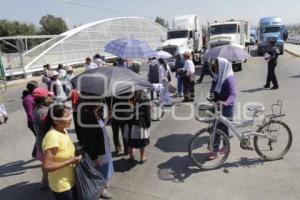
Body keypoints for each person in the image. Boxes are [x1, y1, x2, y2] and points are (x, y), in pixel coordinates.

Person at [42, 104, 82, 200]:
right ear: (55, 120)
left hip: (71, 180)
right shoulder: (52, 137)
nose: (70, 118)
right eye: (66, 116)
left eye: (70, 114)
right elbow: (47, 167)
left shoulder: (62, 130)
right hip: (62, 186)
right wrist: (71, 160)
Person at [79, 99, 113, 199]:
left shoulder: (96, 113)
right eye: (99, 100)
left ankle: (103, 185)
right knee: (99, 172)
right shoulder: (87, 117)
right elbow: (87, 141)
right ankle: (101, 190)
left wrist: (108, 118)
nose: (102, 102)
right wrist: (94, 157)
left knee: (104, 169)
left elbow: (102, 126)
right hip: (97, 152)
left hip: (104, 148)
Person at [208, 57, 237, 160]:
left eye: (217, 66)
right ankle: (225, 147)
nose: (215, 68)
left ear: (223, 66)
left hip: (226, 106)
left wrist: (225, 102)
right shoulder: (218, 76)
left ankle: (216, 150)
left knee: (220, 128)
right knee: (221, 127)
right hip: (217, 105)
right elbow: (213, 89)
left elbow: (233, 94)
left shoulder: (229, 78)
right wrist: (211, 98)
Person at [32, 87, 54, 188]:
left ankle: (45, 181)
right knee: (52, 161)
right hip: (47, 139)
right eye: (48, 95)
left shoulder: (36, 108)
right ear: (45, 98)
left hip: (40, 138)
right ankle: (53, 182)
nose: (50, 96)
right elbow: (50, 128)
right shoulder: (45, 112)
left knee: (45, 162)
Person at [124, 91, 151, 163]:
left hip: (129, 121)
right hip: (139, 121)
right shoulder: (143, 95)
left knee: (130, 139)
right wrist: (148, 123)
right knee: (141, 140)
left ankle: (131, 155)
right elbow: (147, 110)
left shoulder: (126, 95)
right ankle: (142, 157)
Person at [22, 81, 38, 157]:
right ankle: (35, 153)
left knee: (39, 137)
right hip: (33, 122)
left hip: (35, 120)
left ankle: (35, 153)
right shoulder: (28, 99)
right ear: (33, 89)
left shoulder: (32, 96)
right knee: (40, 137)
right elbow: (30, 113)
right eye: (36, 87)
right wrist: (36, 122)